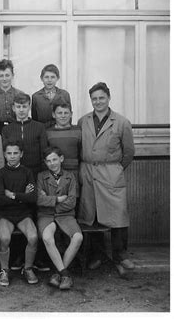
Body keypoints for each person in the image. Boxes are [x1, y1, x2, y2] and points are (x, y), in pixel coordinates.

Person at [77, 82, 135, 276]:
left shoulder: (121, 122)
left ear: (109, 98)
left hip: (110, 173)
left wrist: (116, 169)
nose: (98, 101)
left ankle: (120, 254)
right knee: (91, 216)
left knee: (117, 215)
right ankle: (97, 254)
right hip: (88, 173)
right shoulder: (83, 121)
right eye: (94, 98)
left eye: (101, 98)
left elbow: (128, 153)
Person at [1, 93, 49, 272]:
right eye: (18, 107)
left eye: (24, 106)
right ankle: (18, 256)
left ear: (29, 107)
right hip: (14, 176)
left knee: (35, 214)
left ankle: (39, 258)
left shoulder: (39, 127)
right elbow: (6, 153)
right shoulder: (7, 129)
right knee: (17, 211)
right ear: (13, 108)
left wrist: (40, 179)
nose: (21, 110)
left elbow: (44, 153)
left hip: (34, 175)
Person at [37, 146, 83, 290]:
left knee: (78, 237)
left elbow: (71, 202)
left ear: (61, 159)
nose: (52, 163)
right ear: (45, 163)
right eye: (49, 161)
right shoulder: (41, 176)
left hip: (66, 215)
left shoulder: (70, 176)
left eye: (55, 159)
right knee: (47, 238)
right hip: (46, 216)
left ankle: (58, 273)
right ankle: (65, 273)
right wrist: (58, 199)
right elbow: (38, 200)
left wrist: (49, 201)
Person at [0, 141, 38, 286]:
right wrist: (22, 196)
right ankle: (4, 270)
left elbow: (32, 198)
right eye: (9, 153)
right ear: (5, 155)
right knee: (5, 238)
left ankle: (28, 268)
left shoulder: (27, 172)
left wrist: (12, 195)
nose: (12, 157)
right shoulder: (0, 174)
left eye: (15, 153)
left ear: (21, 154)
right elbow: (0, 200)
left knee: (33, 237)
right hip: (5, 214)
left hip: (24, 213)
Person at [46, 99, 82, 185]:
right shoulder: (48, 132)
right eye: (59, 113)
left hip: (74, 174)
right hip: (53, 174)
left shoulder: (78, 131)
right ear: (53, 115)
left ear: (71, 114)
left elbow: (82, 152)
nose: (63, 116)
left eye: (66, 113)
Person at [0, 59, 27, 134]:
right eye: (1, 76)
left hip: (16, 127)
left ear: (12, 75)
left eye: (7, 75)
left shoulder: (20, 94)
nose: (4, 79)